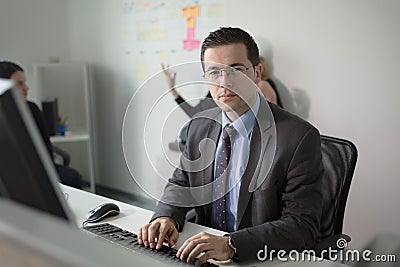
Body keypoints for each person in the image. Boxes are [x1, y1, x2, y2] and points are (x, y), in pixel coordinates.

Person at [138, 27, 323, 265]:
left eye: (236, 69)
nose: (224, 83)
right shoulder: (199, 126)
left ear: (257, 73)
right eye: (215, 72)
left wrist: (231, 244)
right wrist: (166, 217)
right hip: (201, 256)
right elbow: (182, 182)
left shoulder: (298, 137)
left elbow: (302, 226)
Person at [0, 61, 83, 189]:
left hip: (38, 169)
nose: (26, 88)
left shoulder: (32, 109)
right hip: (9, 172)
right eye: (19, 84)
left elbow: (45, 145)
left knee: (72, 177)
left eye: (25, 82)